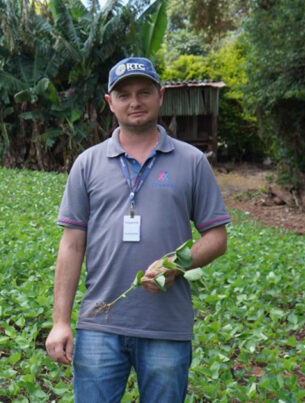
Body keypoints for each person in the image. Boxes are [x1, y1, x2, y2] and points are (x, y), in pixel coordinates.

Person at [44, 57, 229, 402]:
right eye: (124, 94)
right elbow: (71, 245)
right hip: (100, 323)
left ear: (160, 96)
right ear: (109, 102)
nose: (135, 102)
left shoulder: (191, 161)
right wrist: (61, 322)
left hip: (166, 327)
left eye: (144, 92)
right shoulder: (88, 163)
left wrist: (176, 264)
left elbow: (217, 238)